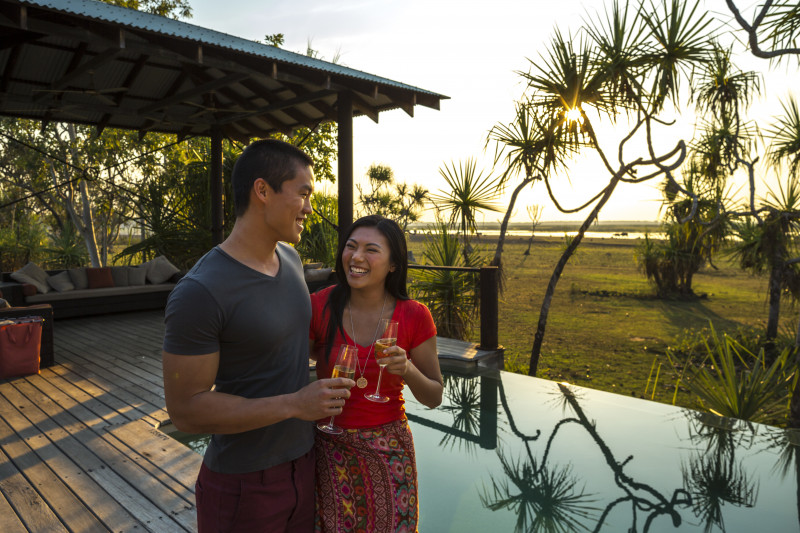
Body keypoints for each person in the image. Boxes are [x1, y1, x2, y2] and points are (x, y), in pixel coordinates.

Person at [162, 139, 355, 533]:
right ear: (263, 191)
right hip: (242, 485)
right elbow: (186, 410)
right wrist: (294, 404)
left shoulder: (291, 259)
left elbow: (286, 346)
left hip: (304, 465)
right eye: (303, 193)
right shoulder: (201, 291)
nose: (309, 207)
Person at [309, 214, 443, 532]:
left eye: (371, 249)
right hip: (330, 446)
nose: (356, 257)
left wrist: (407, 369)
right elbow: (288, 359)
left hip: (389, 448)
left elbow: (434, 396)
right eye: (351, 247)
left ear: (393, 264)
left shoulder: (414, 316)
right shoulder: (320, 306)